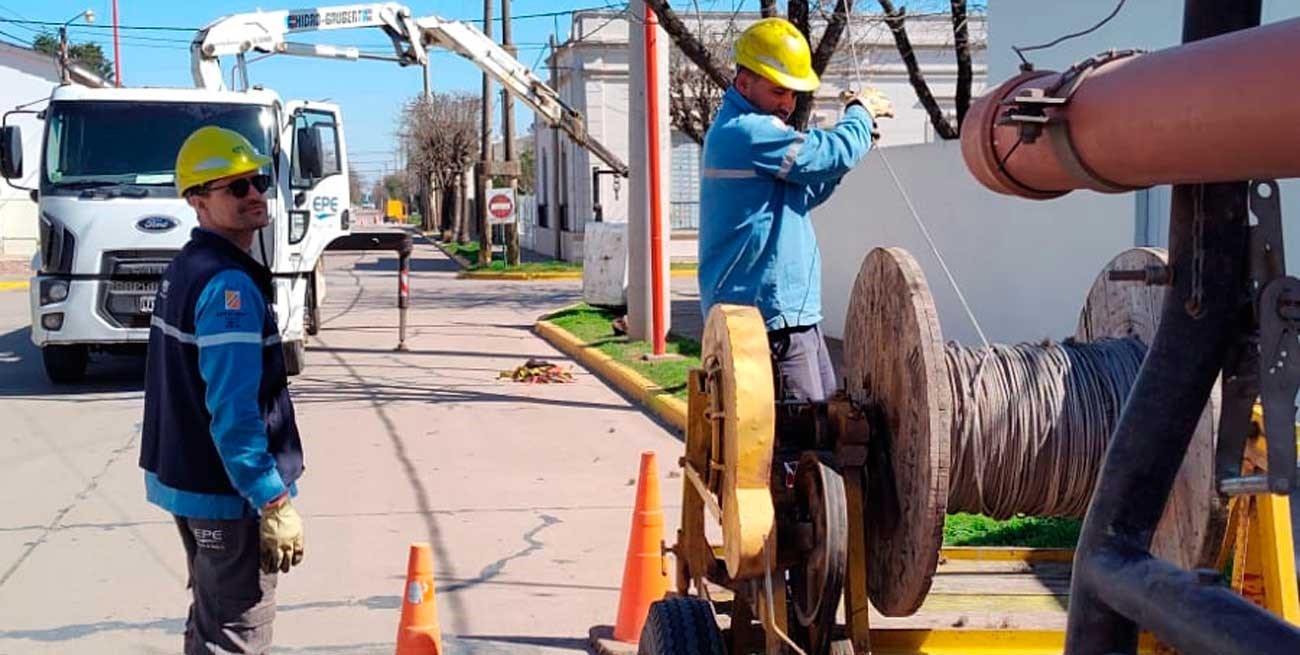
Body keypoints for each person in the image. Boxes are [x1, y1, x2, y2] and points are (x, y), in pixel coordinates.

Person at [140, 126, 305, 654]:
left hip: (190, 481)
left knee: (212, 621)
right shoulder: (228, 284)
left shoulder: (188, 266)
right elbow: (234, 412)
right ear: (197, 201)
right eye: (235, 188)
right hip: (226, 494)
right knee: (237, 633)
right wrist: (271, 498)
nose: (254, 194)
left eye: (257, 181)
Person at [698, 17, 893, 405]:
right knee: (802, 443)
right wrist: (859, 114)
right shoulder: (748, 131)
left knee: (826, 423)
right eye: (778, 92)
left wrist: (855, 145)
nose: (787, 104)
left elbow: (809, 187)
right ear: (743, 83)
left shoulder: (746, 130)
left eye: (793, 94)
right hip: (768, 320)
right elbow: (825, 154)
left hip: (787, 316)